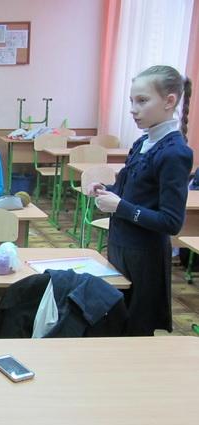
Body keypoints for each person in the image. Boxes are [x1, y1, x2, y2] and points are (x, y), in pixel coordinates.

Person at [88, 65, 193, 336]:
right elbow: (130, 193)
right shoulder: (142, 143)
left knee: (136, 329)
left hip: (145, 257)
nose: (133, 110)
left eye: (142, 101)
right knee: (115, 321)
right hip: (121, 247)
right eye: (131, 101)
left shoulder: (175, 153)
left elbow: (171, 222)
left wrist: (120, 207)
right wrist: (105, 190)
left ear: (169, 101)